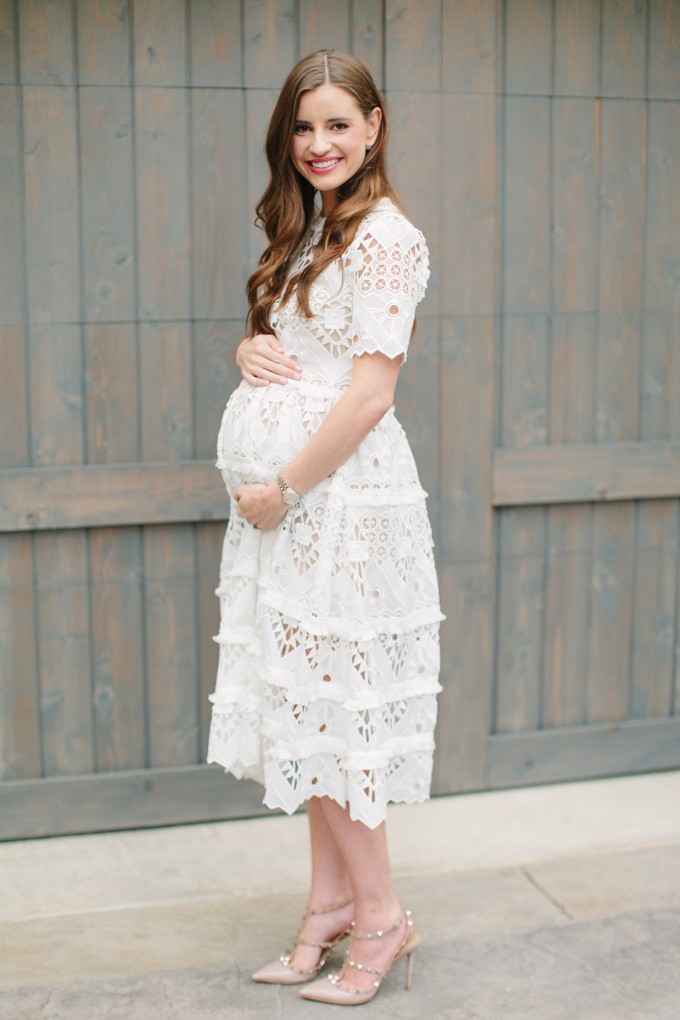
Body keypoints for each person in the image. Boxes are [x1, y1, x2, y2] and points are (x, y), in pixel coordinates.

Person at [207, 49, 443, 1006]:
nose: (318, 144)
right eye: (304, 128)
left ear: (375, 127)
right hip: (293, 513)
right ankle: (328, 906)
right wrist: (252, 346)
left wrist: (284, 490)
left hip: (335, 504)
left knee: (338, 714)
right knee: (303, 708)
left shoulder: (387, 239)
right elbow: (308, 349)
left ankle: (382, 919)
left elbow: (371, 397)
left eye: (339, 124)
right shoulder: (308, 231)